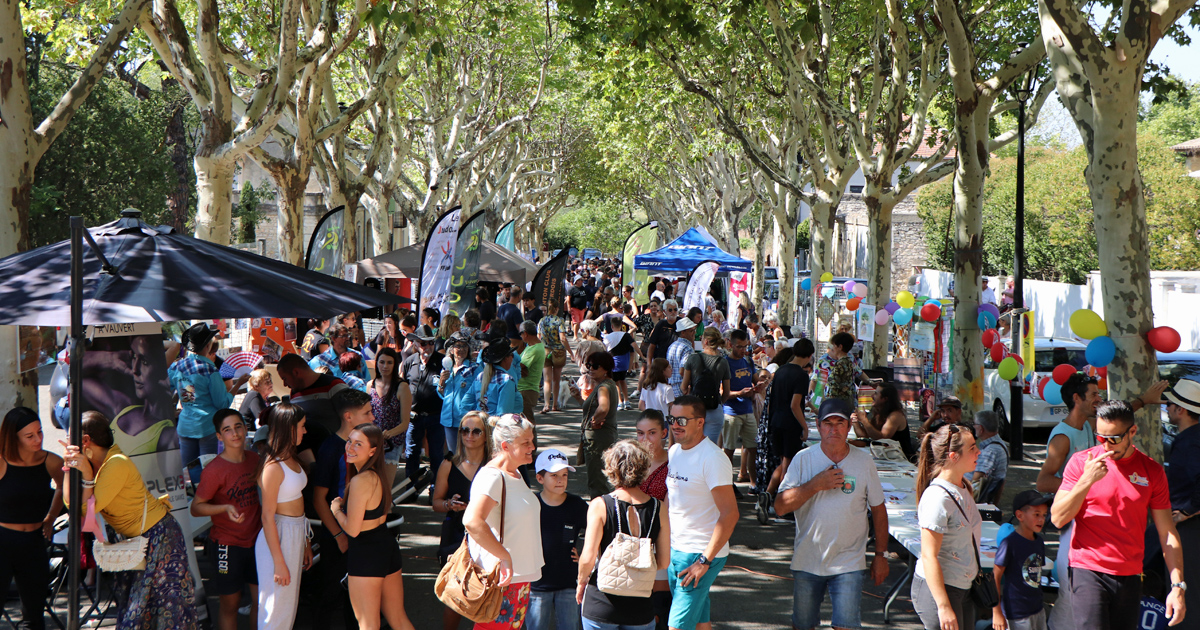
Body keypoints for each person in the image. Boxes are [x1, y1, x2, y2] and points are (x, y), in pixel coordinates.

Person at [1052, 400, 1186, 629]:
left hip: (1130, 573)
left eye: (1113, 439)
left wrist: (1177, 586)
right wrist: (1086, 481)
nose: (1105, 446)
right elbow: (1058, 518)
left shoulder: (1151, 471)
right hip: (1087, 569)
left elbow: (1167, 533)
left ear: (1132, 432)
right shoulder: (1081, 463)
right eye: (1100, 437)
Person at [62, 411, 199, 629]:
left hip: (161, 537)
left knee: (163, 608)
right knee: (137, 607)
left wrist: (87, 476)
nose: (68, 444)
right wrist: (68, 467)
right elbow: (72, 505)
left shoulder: (116, 463)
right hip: (140, 539)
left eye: (71, 438)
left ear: (85, 440)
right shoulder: (95, 464)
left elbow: (88, 508)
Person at [774, 398, 889, 630]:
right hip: (808, 558)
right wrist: (815, 485)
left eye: (840, 423)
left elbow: (878, 509)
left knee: (846, 626)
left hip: (848, 561)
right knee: (803, 625)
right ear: (818, 425)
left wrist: (881, 555)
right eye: (828, 423)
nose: (834, 429)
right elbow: (780, 506)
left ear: (849, 427)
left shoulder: (864, 461)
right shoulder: (803, 458)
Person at [576, 440, 672, 630]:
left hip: (601, 603)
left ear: (611, 467)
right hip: (640, 607)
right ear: (643, 468)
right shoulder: (658, 508)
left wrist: (581, 582)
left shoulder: (600, 505)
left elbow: (587, 558)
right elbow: (663, 562)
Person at [331, 424, 417, 630]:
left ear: (372, 451)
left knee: (368, 624)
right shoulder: (378, 475)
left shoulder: (361, 480)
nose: (350, 447)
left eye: (358, 444)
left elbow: (352, 530)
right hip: (386, 547)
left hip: (366, 554)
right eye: (349, 441)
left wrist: (335, 510)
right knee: (398, 618)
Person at [462, 414, 544, 630]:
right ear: (506, 446)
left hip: (516, 579)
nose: (532, 447)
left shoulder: (513, 473)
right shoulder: (492, 477)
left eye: (532, 441)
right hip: (500, 580)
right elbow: (471, 521)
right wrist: (504, 556)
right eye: (525, 442)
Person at [664, 396, 738, 630]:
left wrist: (704, 561)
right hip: (676, 549)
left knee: (676, 626)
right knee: (699, 622)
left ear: (700, 422)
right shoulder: (675, 451)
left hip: (700, 554)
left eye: (682, 419)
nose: (676, 424)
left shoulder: (713, 458)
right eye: (672, 418)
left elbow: (730, 514)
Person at [191, 409, 262, 630]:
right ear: (219, 436)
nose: (235, 433)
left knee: (260, 601)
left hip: (258, 542)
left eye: (238, 426)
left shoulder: (256, 459)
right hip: (227, 545)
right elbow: (196, 508)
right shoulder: (214, 470)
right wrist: (225, 507)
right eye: (227, 430)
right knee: (230, 605)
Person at [910, 423, 981, 630]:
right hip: (941, 591)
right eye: (972, 448)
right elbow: (928, 555)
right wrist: (943, 606)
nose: (978, 452)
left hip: (963, 586)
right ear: (953, 456)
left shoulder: (963, 486)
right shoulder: (937, 498)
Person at [0, 407, 63, 630]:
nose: (38, 439)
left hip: (34, 542)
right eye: (29, 436)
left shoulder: (50, 461)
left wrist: (51, 516)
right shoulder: (2, 461)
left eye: (40, 432)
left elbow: (63, 487)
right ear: (13, 437)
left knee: (34, 616)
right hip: (4, 540)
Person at [432, 410, 492, 630]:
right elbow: (436, 502)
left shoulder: (494, 466)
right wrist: (449, 504)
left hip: (486, 534)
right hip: (455, 532)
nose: (470, 435)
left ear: (486, 435)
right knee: (455, 593)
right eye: (464, 430)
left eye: (476, 431)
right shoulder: (449, 464)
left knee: (486, 591)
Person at [170, 322, 249, 483]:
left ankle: (191, 504)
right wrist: (238, 384)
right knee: (208, 472)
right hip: (207, 427)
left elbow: (166, 386)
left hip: (185, 426)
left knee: (187, 474)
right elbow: (222, 404)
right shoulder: (210, 371)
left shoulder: (177, 366)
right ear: (207, 346)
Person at [528, 449, 589, 630]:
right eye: (553, 475)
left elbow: (598, 530)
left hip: (568, 583)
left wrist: (586, 555)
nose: (560, 480)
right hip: (536, 584)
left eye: (564, 475)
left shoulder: (577, 505)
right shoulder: (531, 505)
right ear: (540, 479)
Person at [1164, 378, 1200, 625]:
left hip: (1189, 528)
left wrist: (1187, 511)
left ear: (1182, 410)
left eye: (1170, 404)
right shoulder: (1191, 437)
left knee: (1189, 594)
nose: (1166, 408)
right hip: (1186, 523)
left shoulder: (1191, 442)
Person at [991, 490, 1050, 630]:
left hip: (1037, 610)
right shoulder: (1009, 543)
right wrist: (996, 612)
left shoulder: (1039, 542)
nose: (1041, 519)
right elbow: (995, 577)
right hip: (1016, 614)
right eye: (1036, 514)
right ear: (1019, 515)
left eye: (1044, 515)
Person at [636, 410, 673, 629]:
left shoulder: (675, 463)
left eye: (652, 432)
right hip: (634, 540)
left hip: (663, 540)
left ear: (664, 433)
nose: (645, 439)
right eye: (640, 433)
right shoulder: (633, 461)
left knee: (659, 608)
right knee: (638, 603)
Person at [276, 353, 348, 463]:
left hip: (336, 457)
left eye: (285, 378)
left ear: (296, 372)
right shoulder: (294, 393)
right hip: (306, 460)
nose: (285, 384)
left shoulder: (334, 386)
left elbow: (352, 420)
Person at [570, 351, 619, 498]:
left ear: (605, 369)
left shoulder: (603, 387)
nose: (590, 369)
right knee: (602, 477)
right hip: (602, 437)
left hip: (597, 440)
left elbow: (603, 408)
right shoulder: (607, 385)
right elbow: (593, 408)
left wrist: (594, 421)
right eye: (588, 365)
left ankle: (601, 514)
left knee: (597, 481)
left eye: (595, 366)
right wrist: (579, 397)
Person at [402, 332, 446, 483]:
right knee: (411, 454)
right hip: (414, 416)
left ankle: (436, 489)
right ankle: (410, 489)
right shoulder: (410, 361)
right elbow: (404, 385)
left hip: (436, 415)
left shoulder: (442, 362)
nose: (428, 347)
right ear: (415, 344)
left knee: (436, 455)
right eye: (423, 343)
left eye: (431, 343)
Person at [680, 327, 732, 447]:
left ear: (706, 341)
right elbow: (727, 392)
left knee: (692, 446)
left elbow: (683, 387)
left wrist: (689, 394)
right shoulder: (723, 362)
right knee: (709, 448)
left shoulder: (693, 358)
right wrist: (719, 402)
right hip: (714, 409)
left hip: (694, 409)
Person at [720, 329, 758, 482]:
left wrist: (759, 387)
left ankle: (754, 485)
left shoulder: (748, 361)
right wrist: (740, 393)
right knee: (728, 449)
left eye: (745, 347)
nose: (743, 350)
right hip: (731, 412)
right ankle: (727, 484)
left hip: (748, 410)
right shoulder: (724, 363)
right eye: (739, 347)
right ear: (731, 345)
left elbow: (755, 380)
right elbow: (723, 394)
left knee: (753, 448)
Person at [850, 383, 916, 462]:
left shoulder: (895, 416)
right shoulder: (877, 411)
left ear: (884, 399)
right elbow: (864, 436)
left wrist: (864, 421)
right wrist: (855, 421)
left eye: (876, 394)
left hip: (902, 459)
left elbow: (882, 438)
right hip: (885, 456)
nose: (872, 396)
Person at [369, 347, 412, 464]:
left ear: (395, 365)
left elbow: (405, 423)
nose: (385, 366)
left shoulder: (402, 387)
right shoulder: (370, 385)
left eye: (389, 362)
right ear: (377, 363)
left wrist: (388, 434)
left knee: (386, 481)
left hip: (392, 443)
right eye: (382, 362)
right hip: (372, 441)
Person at [539, 301, 572, 413]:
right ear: (557, 308)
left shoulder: (542, 321)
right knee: (556, 380)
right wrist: (571, 353)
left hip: (545, 350)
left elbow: (539, 337)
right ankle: (555, 404)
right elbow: (563, 338)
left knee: (546, 380)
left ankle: (546, 404)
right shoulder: (559, 321)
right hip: (558, 351)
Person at [604, 318, 643, 411]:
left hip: (614, 363)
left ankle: (620, 402)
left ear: (612, 326)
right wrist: (642, 355)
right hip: (625, 362)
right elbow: (635, 346)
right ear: (621, 325)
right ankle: (627, 400)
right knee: (623, 380)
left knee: (616, 382)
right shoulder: (626, 335)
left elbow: (604, 349)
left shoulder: (608, 337)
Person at [971, 411, 1009, 503]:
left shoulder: (990, 451)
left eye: (974, 424)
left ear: (981, 428)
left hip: (976, 499)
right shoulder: (999, 444)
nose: (973, 427)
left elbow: (975, 480)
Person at [476, 339, 520, 416]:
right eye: (511, 355)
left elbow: (466, 403)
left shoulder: (480, 377)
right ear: (506, 358)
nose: (512, 358)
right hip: (498, 425)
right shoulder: (506, 380)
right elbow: (504, 413)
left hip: (480, 424)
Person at [519, 320, 547, 424]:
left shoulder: (534, 349)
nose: (520, 336)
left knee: (528, 423)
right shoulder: (531, 346)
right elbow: (521, 367)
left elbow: (520, 365)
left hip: (527, 390)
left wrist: (519, 367)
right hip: (526, 389)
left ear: (525, 333)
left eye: (520, 333)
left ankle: (532, 441)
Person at [667, 318, 696, 399]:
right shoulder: (687, 348)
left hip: (672, 387)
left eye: (694, 330)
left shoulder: (672, 345)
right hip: (682, 388)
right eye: (691, 331)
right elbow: (682, 371)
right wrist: (686, 387)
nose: (694, 333)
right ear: (683, 332)